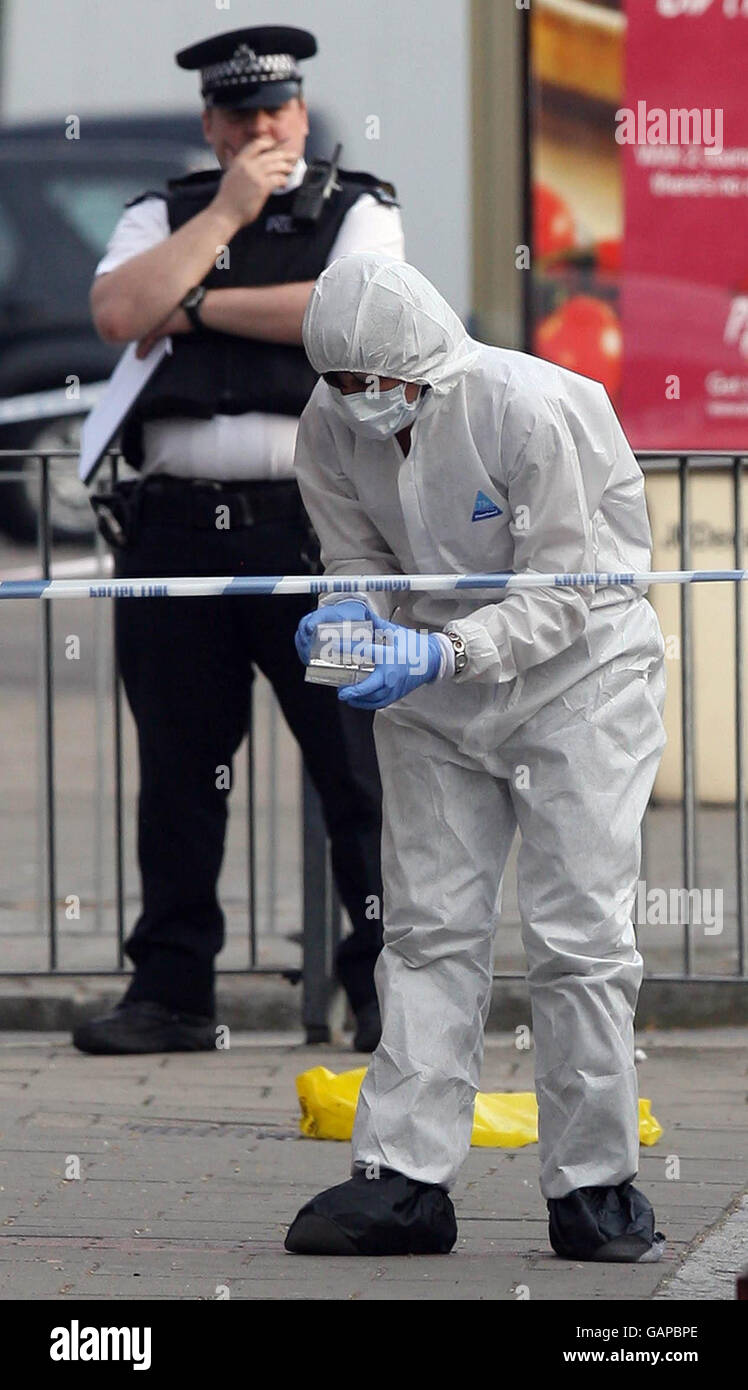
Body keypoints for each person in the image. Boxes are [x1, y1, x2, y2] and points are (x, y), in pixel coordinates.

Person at [285, 252, 667, 1263]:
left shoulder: (533, 406)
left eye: (382, 385)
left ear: (429, 364)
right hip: (430, 698)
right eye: (343, 384)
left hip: (578, 686)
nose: (366, 405)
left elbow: (568, 587)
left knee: (579, 934)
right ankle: (403, 1179)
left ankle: (593, 1184)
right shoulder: (327, 424)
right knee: (425, 929)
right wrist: (349, 626)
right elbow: (356, 558)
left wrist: (447, 647)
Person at [75, 27, 405, 1057]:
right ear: (212, 125)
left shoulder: (362, 208)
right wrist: (225, 216)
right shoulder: (162, 211)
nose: (264, 129)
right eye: (241, 115)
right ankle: (171, 991)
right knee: (178, 770)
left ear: (302, 114)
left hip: (317, 535)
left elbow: (344, 320)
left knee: (356, 768)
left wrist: (199, 304)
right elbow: (121, 308)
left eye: (279, 111)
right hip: (175, 530)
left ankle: (387, 990)